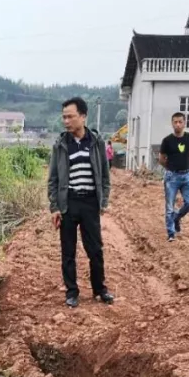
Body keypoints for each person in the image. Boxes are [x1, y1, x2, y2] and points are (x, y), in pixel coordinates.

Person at [48, 96, 113, 308]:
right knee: (68, 251)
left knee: (95, 249)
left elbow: (104, 175)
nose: (66, 121)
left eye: (70, 117)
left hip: (90, 203)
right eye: (64, 117)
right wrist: (55, 207)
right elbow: (53, 179)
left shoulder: (96, 142)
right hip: (69, 203)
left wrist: (103, 201)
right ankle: (72, 292)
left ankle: (100, 289)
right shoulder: (60, 145)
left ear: (83, 117)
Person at [159, 112, 189, 242]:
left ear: (184, 123)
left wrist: (184, 164)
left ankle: (176, 218)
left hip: (186, 175)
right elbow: (161, 159)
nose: (178, 124)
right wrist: (170, 168)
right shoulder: (167, 141)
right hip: (172, 176)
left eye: (180, 122)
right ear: (172, 123)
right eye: (175, 122)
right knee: (169, 206)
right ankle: (171, 233)